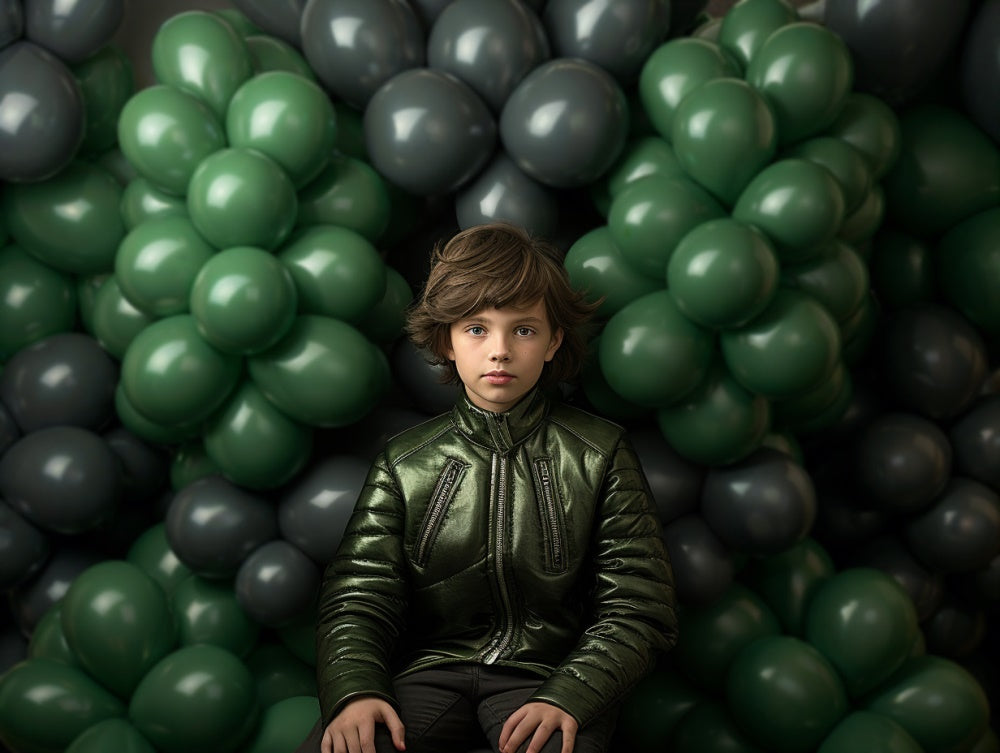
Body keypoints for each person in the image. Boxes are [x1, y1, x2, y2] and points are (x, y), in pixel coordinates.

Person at [297, 222, 678, 753]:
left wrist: (570, 695)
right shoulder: (405, 462)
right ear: (446, 341)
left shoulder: (599, 451)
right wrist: (355, 690)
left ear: (553, 342)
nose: (499, 350)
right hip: (432, 672)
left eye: (523, 330)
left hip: (548, 678)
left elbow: (639, 605)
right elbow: (359, 594)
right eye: (476, 328)